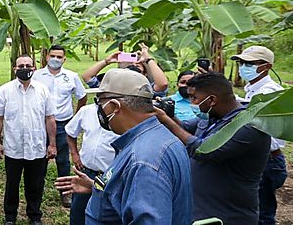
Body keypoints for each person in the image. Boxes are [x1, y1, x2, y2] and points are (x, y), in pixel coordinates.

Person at [55, 68, 192, 225]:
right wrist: (98, 189)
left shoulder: (144, 159)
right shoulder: (160, 138)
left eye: (99, 102)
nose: (98, 109)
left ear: (114, 106)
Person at [155, 72, 271, 224]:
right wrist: (169, 115)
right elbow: (185, 128)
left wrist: (165, 120)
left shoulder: (248, 126)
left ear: (212, 100)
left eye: (194, 98)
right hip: (202, 210)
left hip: (228, 215)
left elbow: (203, 150)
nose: (192, 102)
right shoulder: (212, 116)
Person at [0, 55, 57, 225]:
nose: (25, 68)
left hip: (36, 146)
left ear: (34, 68)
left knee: (35, 184)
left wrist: (52, 144)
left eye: (28, 65)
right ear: (15, 69)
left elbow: (50, 118)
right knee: (11, 184)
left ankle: (34, 215)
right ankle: (10, 217)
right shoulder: (5, 90)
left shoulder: (43, 90)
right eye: (21, 65)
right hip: (13, 147)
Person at [232, 45, 288, 225]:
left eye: (249, 63)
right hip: (260, 159)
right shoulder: (252, 89)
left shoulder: (269, 92)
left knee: (262, 214)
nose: (243, 67)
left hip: (268, 161)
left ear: (266, 66)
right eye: (241, 63)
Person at [32, 45, 85, 207]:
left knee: (63, 160)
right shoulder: (36, 75)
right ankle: (36, 193)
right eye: (52, 56)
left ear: (64, 59)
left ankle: (65, 193)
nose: (55, 59)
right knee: (40, 159)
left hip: (63, 124)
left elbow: (81, 97)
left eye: (59, 57)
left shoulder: (71, 76)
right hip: (41, 123)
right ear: (47, 57)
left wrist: (75, 118)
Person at [65, 97, 120, 225]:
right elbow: (70, 132)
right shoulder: (86, 111)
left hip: (109, 176)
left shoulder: (121, 116)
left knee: (106, 214)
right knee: (78, 213)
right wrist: (74, 153)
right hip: (86, 173)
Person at [82, 44, 169, 96]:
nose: (134, 65)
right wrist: (106, 61)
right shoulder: (112, 86)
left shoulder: (147, 87)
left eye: (138, 64)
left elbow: (163, 84)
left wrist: (148, 59)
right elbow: (87, 77)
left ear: (145, 73)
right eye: (130, 65)